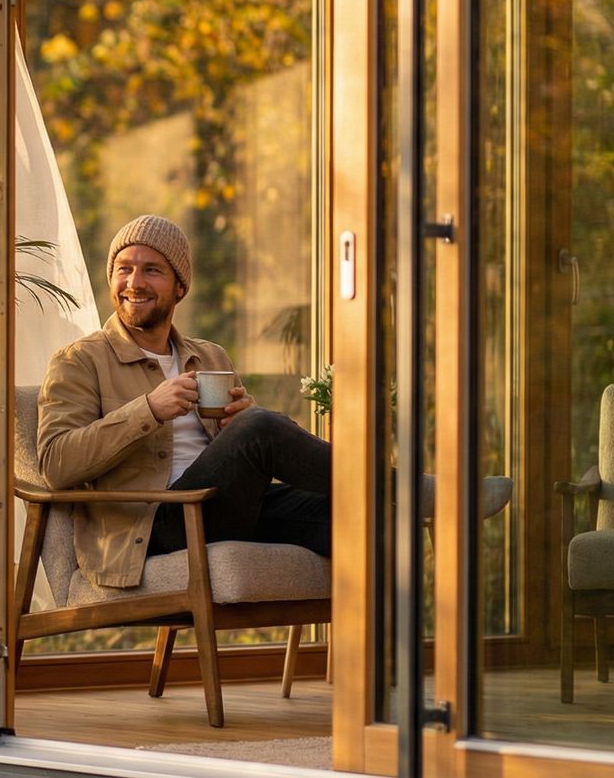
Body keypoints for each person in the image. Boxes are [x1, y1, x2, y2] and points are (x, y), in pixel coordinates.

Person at [37, 214, 507, 590]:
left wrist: (231, 427)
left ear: (179, 286)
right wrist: (149, 409)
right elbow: (56, 464)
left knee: (365, 520)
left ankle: (384, 677)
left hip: (226, 507)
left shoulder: (208, 355)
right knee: (261, 428)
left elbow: (243, 451)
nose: (134, 281)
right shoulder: (80, 361)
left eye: (152, 270)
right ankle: (434, 494)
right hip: (151, 526)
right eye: (124, 268)